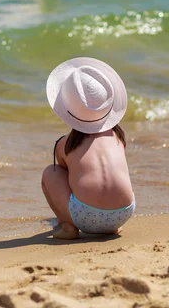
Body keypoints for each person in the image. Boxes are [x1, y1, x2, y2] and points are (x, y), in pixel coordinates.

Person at [42, 57, 135, 239]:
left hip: (85, 216)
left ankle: (68, 227)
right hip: (124, 213)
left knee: (50, 173)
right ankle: (111, 227)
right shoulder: (117, 137)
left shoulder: (66, 144)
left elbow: (65, 172)